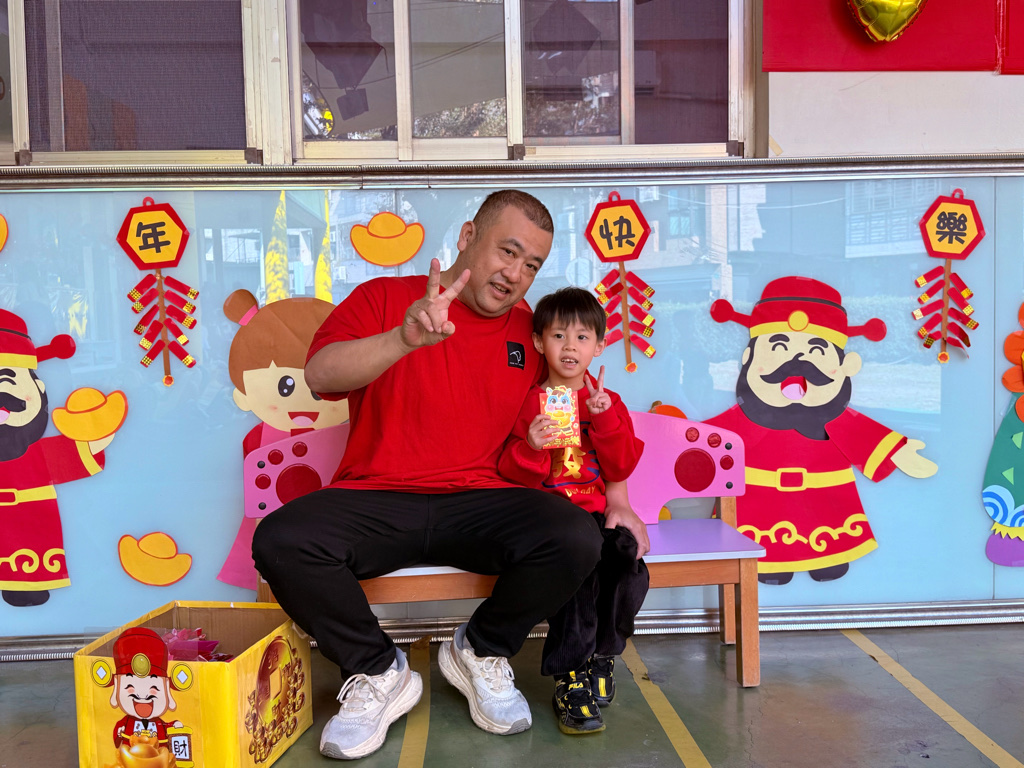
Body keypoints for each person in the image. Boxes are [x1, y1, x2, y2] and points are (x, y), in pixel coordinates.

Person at [252, 190, 604, 760]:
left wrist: (619, 496)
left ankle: (480, 650)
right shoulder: (385, 297)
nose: (515, 273)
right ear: (468, 237)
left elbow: (575, 412)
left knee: (577, 536)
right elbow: (319, 376)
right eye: (507, 251)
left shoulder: (533, 333)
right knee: (280, 539)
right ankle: (377, 671)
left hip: (482, 500)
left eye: (531, 264)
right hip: (378, 496)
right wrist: (402, 339)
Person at [705, 276, 937, 584]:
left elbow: (862, 434)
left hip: (826, 501)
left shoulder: (836, 418)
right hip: (758, 501)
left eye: (815, 351)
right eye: (779, 347)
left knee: (829, 548)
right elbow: (708, 440)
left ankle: (825, 562)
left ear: (845, 367)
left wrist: (898, 451)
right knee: (766, 552)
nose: (796, 361)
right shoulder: (744, 418)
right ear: (749, 358)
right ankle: (773, 567)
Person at [497, 287, 648, 735]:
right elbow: (509, 472)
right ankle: (570, 675)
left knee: (628, 561)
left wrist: (604, 419)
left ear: (599, 346)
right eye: (558, 335)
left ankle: (603, 653)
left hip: (596, 516)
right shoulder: (527, 402)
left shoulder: (607, 402)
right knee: (576, 573)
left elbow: (622, 466)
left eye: (582, 337)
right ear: (539, 342)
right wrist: (531, 445)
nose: (569, 346)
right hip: (550, 521)